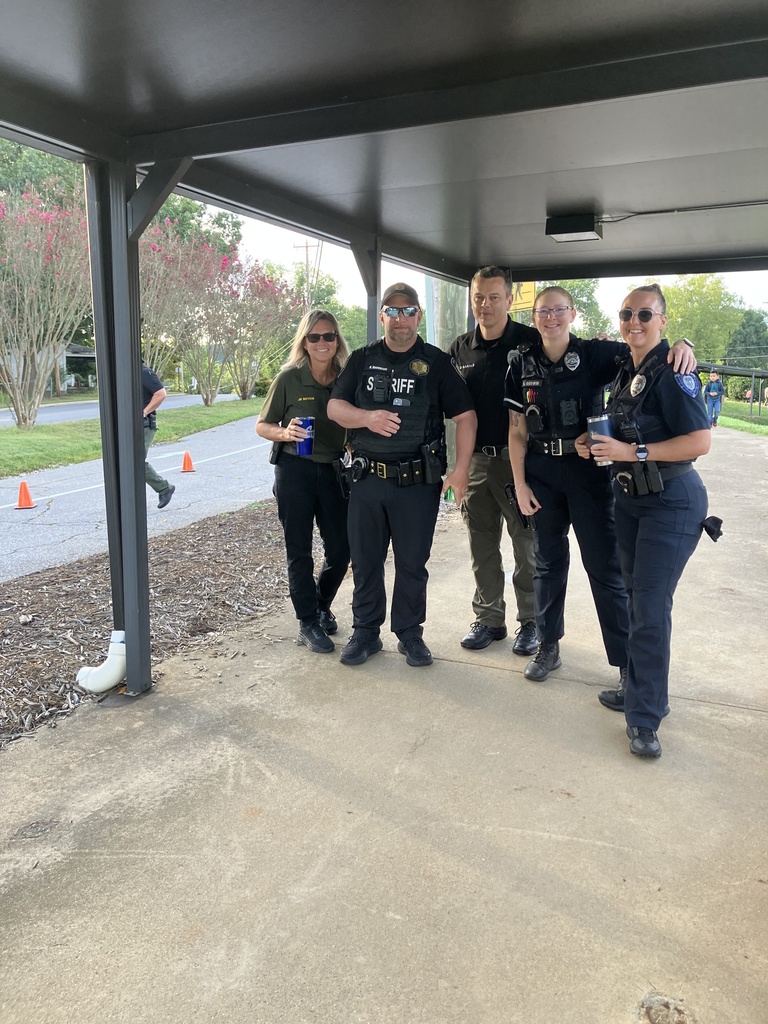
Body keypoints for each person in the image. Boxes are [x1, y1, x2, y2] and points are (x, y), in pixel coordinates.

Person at [505, 288, 697, 686]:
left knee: (605, 569)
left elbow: (648, 351)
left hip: (589, 474)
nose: (551, 317)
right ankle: (549, 646)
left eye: (559, 310)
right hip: (541, 473)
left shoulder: (595, 354)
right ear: (534, 315)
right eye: (543, 311)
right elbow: (517, 430)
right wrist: (520, 483)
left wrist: (684, 343)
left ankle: (626, 664)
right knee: (547, 564)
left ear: (572, 314)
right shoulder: (520, 362)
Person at [577, 284, 710, 759]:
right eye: (627, 313)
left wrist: (632, 452)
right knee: (638, 600)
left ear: (663, 321)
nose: (635, 322)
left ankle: (645, 718)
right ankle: (641, 689)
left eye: (646, 315)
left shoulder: (674, 373)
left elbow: (699, 441)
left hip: (672, 501)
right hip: (632, 500)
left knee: (649, 607)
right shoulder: (624, 369)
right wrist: (591, 444)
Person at [327, 283, 476, 668]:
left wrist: (459, 472)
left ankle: (410, 634)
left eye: (407, 311)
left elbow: (465, 417)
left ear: (418, 316)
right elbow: (335, 408)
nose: (400, 319)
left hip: (417, 483)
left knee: (412, 562)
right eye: (392, 312)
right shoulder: (361, 359)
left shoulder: (437, 363)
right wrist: (367, 418)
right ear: (382, 317)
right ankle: (365, 631)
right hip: (367, 480)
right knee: (365, 560)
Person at [449, 267, 537, 656]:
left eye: (494, 297)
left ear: (510, 298)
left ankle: (532, 622)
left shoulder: (531, 340)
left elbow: (582, 353)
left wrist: (680, 343)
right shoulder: (460, 348)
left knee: (527, 547)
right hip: (476, 465)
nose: (485, 305)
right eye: (478, 298)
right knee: (481, 545)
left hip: (519, 464)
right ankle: (489, 619)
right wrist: (458, 467)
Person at [255, 310, 351, 654]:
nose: (322, 343)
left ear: (337, 340)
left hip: (333, 470)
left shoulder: (345, 377)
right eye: (314, 337)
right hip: (294, 469)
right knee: (299, 551)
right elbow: (263, 425)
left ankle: (322, 605)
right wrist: (285, 432)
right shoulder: (288, 378)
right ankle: (308, 621)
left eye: (329, 336)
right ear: (304, 342)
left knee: (341, 548)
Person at [142, 363, 175, 509]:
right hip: (126, 426)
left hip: (144, 426)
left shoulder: (143, 372)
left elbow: (161, 394)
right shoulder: (125, 374)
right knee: (123, 462)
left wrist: (144, 412)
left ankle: (164, 488)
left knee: (135, 462)